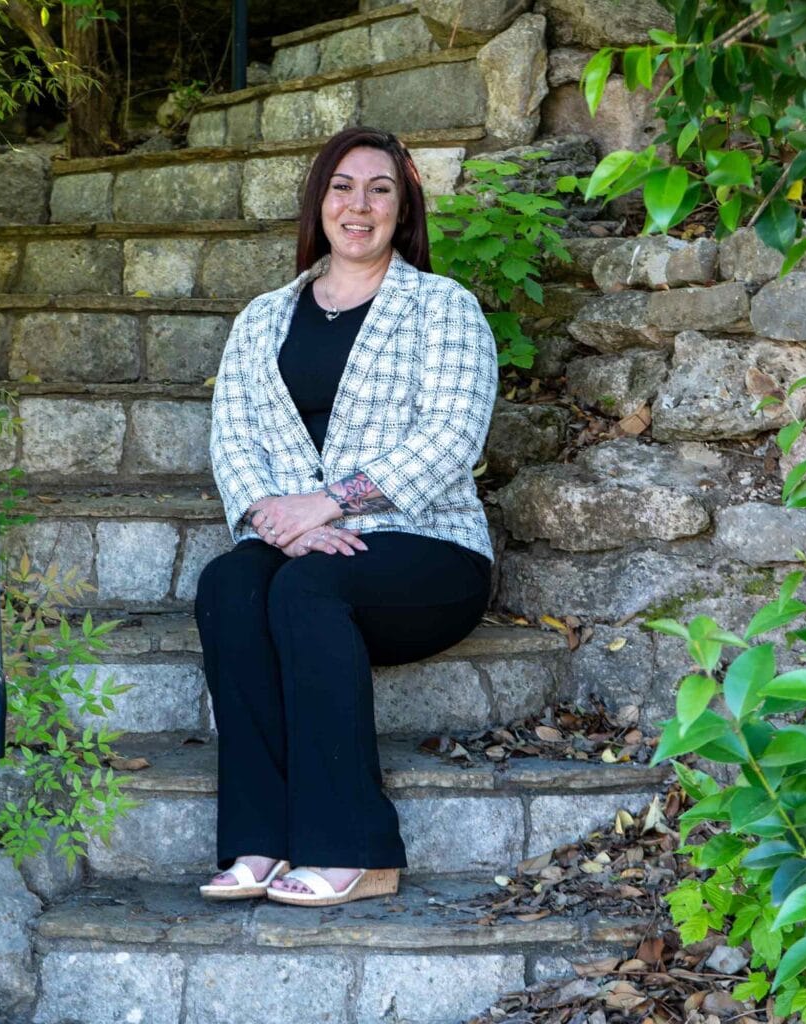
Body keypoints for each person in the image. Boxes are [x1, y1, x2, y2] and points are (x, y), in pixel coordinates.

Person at [194, 125, 498, 908]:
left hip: (428, 548)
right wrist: (278, 521)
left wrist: (330, 504)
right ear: (318, 201)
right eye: (342, 187)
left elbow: (452, 436)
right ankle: (259, 841)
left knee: (307, 590)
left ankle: (353, 849)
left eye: (379, 189)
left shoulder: (443, 308)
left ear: (404, 209)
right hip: (298, 539)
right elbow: (233, 437)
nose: (358, 206)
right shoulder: (263, 317)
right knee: (230, 585)